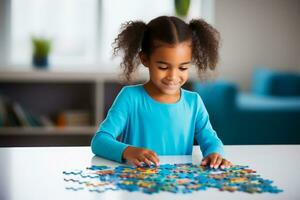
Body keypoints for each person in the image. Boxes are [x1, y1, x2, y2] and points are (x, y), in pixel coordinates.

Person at [91, 16, 232, 169]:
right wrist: (128, 151)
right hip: (136, 185)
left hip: (179, 185)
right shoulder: (130, 98)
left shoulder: (194, 102)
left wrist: (215, 154)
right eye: (163, 67)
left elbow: (210, 139)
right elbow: (99, 141)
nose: (173, 76)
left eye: (183, 68)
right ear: (145, 59)